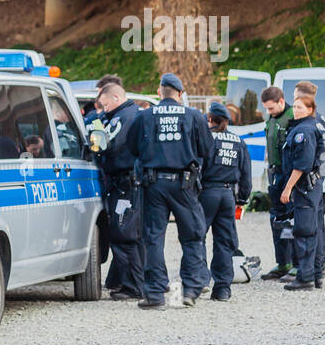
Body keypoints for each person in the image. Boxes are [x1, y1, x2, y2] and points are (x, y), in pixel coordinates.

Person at [128, 72, 215, 308]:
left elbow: (132, 147)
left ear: (159, 92)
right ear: (180, 94)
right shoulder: (194, 116)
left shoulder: (144, 116)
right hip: (184, 183)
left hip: (153, 183)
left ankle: (154, 293)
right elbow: (207, 149)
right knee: (192, 236)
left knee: (153, 237)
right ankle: (190, 289)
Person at [94, 82, 144, 300]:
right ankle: (127, 282)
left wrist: (93, 139)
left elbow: (107, 145)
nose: (103, 109)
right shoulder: (131, 113)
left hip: (125, 184)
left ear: (115, 98)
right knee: (131, 234)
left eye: (105, 105)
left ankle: (132, 287)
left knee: (123, 233)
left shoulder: (122, 117)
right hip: (128, 183)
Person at [198, 101, 252, 301]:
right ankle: (222, 289)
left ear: (210, 119)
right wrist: (243, 198)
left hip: (206, 193)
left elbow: (197, 168)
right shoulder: (238, 141)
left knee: (197, 237)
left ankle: (201, 280)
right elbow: (246, 174)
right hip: (228, 196)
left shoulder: (205, 139)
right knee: (224, 242)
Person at [280, 89, 323, 291]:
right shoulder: (305, 127)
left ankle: (305, 278)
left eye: (300, 107)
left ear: (310, 109)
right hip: (310, 187)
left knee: (304, 231)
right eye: (294, 106)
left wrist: (287, 188)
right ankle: (314, 275)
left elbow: (302, 164)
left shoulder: (304, 131)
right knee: (311, 230)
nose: (295, 110)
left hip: (304, 186)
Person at [259, 87, 296, 280]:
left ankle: (297, 264)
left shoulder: (293, 117)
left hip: (289, 174)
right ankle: (283, 263)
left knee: (293, 220)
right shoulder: (272, 120)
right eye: (266, 108)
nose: (269, 112)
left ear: (281, 102)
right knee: (277, 220)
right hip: (275, 175)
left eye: (271, 108)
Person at [293, 80, 325, 281]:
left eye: (296, 97)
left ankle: (313, 268)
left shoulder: (308, 124)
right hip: (318, 179)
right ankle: (318, 266)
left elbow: (305, 158)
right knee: (317, 224)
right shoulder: (321, 119)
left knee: (308, 226)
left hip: (308, 180)